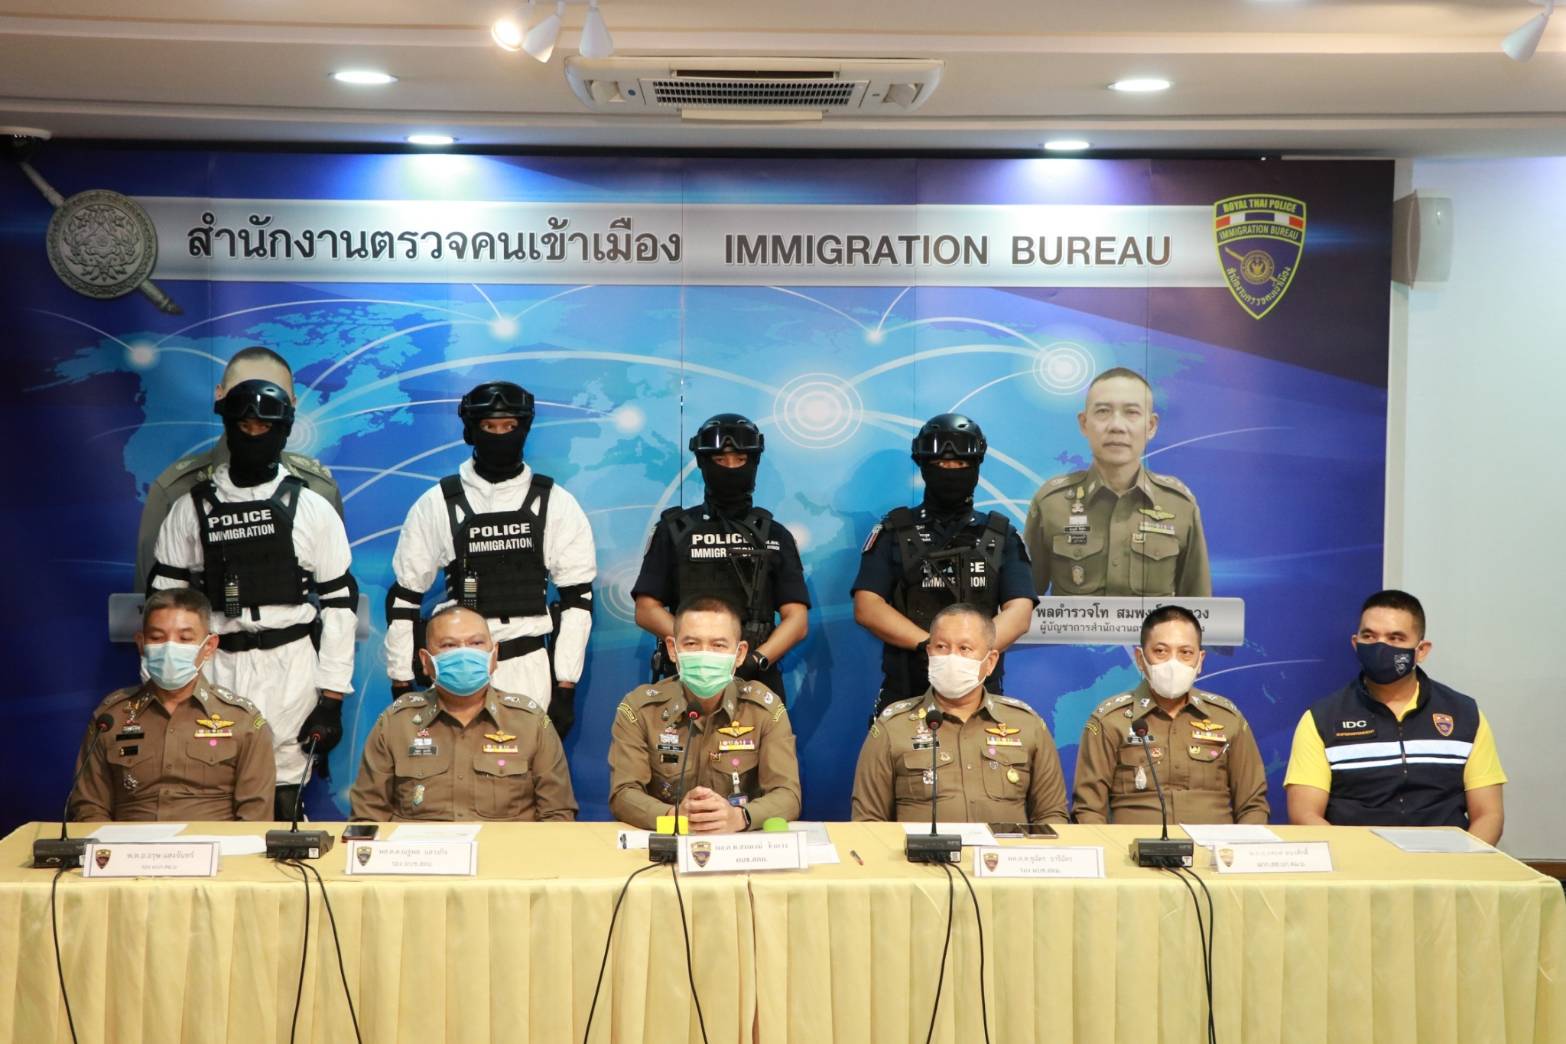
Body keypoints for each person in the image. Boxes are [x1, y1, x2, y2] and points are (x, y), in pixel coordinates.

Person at [149, 374, 356, 820]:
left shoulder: (311, 508)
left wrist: (331, 699)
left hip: (292, 667)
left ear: (284, 430)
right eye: (244, 426)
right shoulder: (190, 509)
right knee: (209, 787)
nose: (254, 435)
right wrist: (163, 682)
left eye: (265, 427)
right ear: (228, 426)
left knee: (284, 793)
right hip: (216, 666)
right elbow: (162, 607)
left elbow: (340, 607)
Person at [384, 381, 596, 737]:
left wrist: (565, 686)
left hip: (529, 667)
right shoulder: (436, 503)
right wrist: (401, 682)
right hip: (456, 670)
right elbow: (405, 598)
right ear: (471, 431)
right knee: (453, 769)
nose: (500, 435)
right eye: (489, 426)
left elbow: (577, 600)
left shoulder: (556, 503)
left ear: (524, 429)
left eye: (509, 426)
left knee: (525, 768)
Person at [851, 413, 1036, 717]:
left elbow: (1020, 613)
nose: (950, 472)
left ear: (976, 466)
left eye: (960, 464)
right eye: (941, 464)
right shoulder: (893, 531)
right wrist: (931, 647)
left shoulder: (1002, 534)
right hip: (907, 692)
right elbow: (867, 605)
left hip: (981, 694)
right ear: (923, 466)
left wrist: (970, 654)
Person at [1285, 590, 1506, 844]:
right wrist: (1355, 859)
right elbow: (1305, 814)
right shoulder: (1322, 718)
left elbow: (1489, 815)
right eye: (1369, 636)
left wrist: (1461, 862)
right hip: (1357, 861)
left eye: (1395, 638)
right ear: (1356, 644)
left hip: (1446, 861)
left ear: (1421, 650)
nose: (1381, 647)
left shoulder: (1464, 715)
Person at [135, 346, 342, 593]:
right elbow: (154, 601)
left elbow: (333, 587)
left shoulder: (317, 491)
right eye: (243, 392)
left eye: (272, 394)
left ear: (292, 405)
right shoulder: (176, 491)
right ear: (220, 396)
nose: (256, 403)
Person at [632, 413, 809, 700]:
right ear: (704, 463)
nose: (730, 467)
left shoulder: (775, 535)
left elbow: (797, 620)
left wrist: (754, 660)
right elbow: (646, 609)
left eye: (740, 459)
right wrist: (696, 647)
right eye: (720, 459)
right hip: (686, 677)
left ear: (753, 462)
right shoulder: (673, 531)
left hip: (756, 680)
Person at [349, 605, 576, 822]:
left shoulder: (530, 722)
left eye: (476, 643)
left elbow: (557, 815)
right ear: (426, 661)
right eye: (449, 645)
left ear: (494, 655)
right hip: (421, 850)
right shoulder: (397, 724)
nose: (465, 654)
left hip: (505, 849)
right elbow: (367, 816)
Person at [851, 602, 1068, 824]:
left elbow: (1051, 816)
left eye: (964, 648)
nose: (951, 657)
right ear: (929, 654)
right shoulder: (892, 728)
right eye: (942, 647)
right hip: (920, 849)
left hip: (1004, 848)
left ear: (990, 662)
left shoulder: (1027, 725)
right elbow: (868, 821)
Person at [69, 588, 275, 821]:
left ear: (209, 646)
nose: (169, 648)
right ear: (141, 643)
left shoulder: (243, 721)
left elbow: (255, 817)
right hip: (129, 843)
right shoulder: (111, 718)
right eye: (157, 638)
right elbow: (89, 807)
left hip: (213, 844)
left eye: (184, 639)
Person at [608, 596, 801, 832]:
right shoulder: (639, 709)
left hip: (738, 846)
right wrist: (674, 816)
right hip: (667, 843)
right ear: (673, 649)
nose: (704, 655)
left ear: (740, 654)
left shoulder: (764, 710)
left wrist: (739, 817)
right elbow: (623, 793)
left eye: (718, 645)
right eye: (691, 644)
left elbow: (788, 795)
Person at [1071, 605, 1268, 825]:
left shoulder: (1227, 718)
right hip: (1133, 846)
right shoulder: (1110, 720)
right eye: (1161, 651)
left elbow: (1253, 806)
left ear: (1200, 660)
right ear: (1140, 658)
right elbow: (1088, 810)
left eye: (1186, 652)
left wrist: (1235, 847)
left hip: (1215, 846)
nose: (1173, 663)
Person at [1022, 367, 1210, 597]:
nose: (1117, 426)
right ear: (1084, 423)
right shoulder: (1052, 503)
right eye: (1103, 411)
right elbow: (1022, 602)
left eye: (1131, 412)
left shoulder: (1180, 506)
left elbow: (1199, 608)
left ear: (1151, 426)